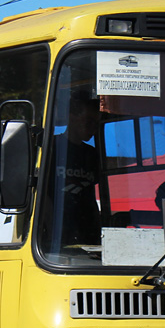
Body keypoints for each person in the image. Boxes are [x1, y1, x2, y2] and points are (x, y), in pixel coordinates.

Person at [52, 91, 102, 245]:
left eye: (97, 124)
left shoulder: (92, 154)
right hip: (57, 228)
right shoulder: (52, 148)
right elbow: (45, 194)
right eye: (89, 122)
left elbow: (91, 195)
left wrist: (98, 223)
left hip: (86, 230)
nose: (93, 129)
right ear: (72, 117)